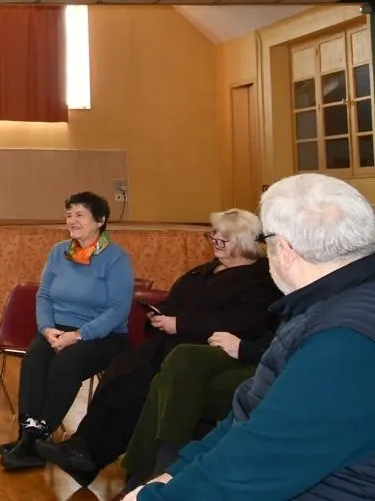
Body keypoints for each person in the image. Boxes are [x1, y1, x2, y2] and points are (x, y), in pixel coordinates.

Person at [125, 173, 375, 500]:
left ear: (284, 249)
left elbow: (261, 464)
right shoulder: (325, 306)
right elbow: (250, 412)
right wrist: (174, 474)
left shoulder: (342, 340)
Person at [36, 208, 280, 484]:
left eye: (223, 240)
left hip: (205, 351)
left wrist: (181, 324)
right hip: (169, 344)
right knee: (121, 372)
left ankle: (106, 459)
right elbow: (177, 299)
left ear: (244, 243)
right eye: (213, 236)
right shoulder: (207, 269)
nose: (215, 243)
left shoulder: (260, 280)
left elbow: (245, 323)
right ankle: (83, 446)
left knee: (140, 386)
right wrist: (160, 315)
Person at [0, 191, 134, 471]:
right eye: (69, 215)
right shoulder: (59, 252)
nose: (72, 220)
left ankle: (40, 434)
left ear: (100, 220)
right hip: (57, 329)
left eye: (80, 215)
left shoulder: (116, 258)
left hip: (103, 335)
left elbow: (118, 310)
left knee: (66, 363)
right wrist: (46, 328)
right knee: (34, 359)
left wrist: (79, 335)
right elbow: (44, 295)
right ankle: (28, 434)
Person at [119, 325, 277, 491]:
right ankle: (155, 473)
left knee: (169, 381)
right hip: (254, 350)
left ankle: (152, 473)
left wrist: (245, 348)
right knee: (179, 362)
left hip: (265, 368)